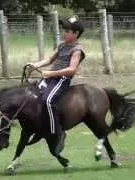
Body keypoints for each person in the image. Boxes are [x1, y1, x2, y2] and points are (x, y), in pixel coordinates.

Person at [27, 16, 85, 152]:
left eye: (67, 31)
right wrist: (35, 65)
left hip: (61, 80)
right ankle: (39, 126)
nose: (64, 33)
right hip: (50, 78)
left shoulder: (77, 50)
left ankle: (57, 132)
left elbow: (71, 70)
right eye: (64, 30)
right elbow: (49, 59)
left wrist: (50, 74)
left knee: (48, 101)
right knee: (32, 96)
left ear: (75, 34)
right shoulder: (62, 45)